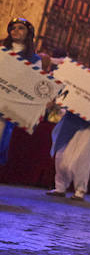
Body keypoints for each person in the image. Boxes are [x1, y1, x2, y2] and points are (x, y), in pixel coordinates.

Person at [47, 49, 90, 200]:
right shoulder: (86, 76)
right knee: (61, 153)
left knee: (82, 157)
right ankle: (60, 186)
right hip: (72, 119)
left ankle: (80, 189)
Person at [0, 18, 42, 165]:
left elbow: (33, 84)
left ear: (28, 33)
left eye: (20, 28)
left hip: (8, 107)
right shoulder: (1, 50)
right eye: (13, 28)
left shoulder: (34, 59)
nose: (15, 31)